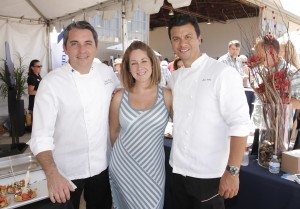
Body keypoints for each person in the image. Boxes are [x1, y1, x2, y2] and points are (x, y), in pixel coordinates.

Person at [28, 21, 120, 209]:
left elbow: (125, 99)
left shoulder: (108, 74)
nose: (81, 50)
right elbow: (40, 137)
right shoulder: (51, 83)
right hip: (65, 172)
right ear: (65, 48)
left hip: (103, 165)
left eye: (87, 43)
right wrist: (52, 174)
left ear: (96, 47)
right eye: (74, 43)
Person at [167, 14, 251, 209]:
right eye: (176, 38)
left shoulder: (223, 73)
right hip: (177, 170)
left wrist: (233, 171)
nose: (182, 43)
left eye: (188, 36)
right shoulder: (174, 78)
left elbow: (240, 125)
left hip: (209, 174)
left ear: (199, 39)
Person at [109, 40, 173, 209]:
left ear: (153, 63)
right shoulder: (119, 97)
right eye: (134, 63)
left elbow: (184, 127)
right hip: (123, 166)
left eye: (144, 61)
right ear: (128, 68)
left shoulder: (167, 95)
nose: (139, 67)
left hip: (153, 169)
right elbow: (114, 133)